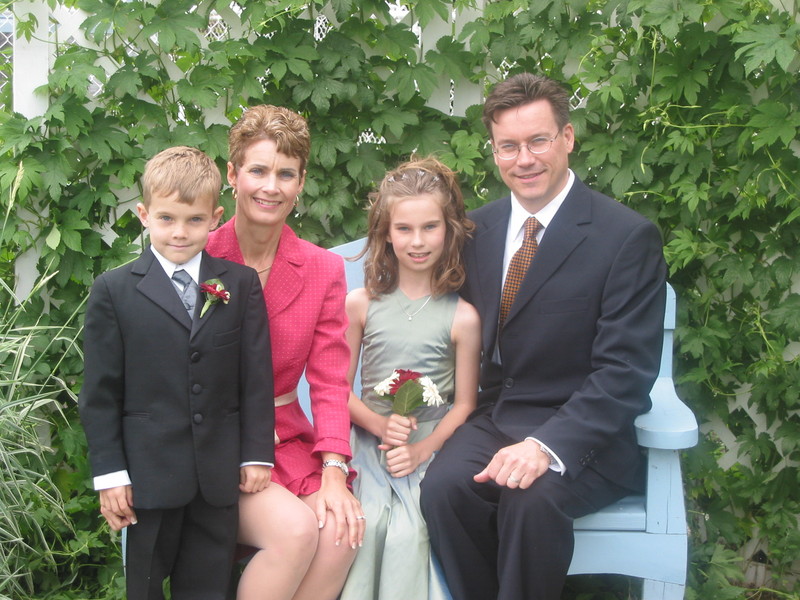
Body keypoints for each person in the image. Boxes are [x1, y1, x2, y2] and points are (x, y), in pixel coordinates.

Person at [419, 73, 668, 600]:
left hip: (584, 437)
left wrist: (546, 447)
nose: (524, 160)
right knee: (444, 489)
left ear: (568, 138)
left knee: (529, 498)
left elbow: (624, 374)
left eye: (538, 141)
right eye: (508, 146)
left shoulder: (625, 238)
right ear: (494, 150)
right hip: (496, 418)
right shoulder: (475, 232)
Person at [79, 146, 274, 600]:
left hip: (217, 477)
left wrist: (256, 454)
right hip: (146, 478)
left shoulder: (240, 284)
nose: (180, 232)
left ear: (215, 218)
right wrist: (110, 475)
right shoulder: (114, 291)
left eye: (194, 220)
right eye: (166, 219)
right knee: (145, 586)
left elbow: (255, 378)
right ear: (144, 215)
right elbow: (100, 394)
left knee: (208, 586)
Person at [205, 105, 364, 600]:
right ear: (233, 174)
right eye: (258, 170)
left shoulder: (322, 269)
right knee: (296, 531)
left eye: (286, 174)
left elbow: (331, 380)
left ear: (301, 183)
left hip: (286, 441)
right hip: (211, 442)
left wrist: (334, 471)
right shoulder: (196, 256)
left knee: (339, 532)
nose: (271, 187)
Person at [340, 157, 481, 600]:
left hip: (431, 448)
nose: (417, 241)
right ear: (386, 232)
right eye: (404, 229)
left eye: (430, 227)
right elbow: (337, 389)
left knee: (410, 532)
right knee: (363, 522)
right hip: (368, 444)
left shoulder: (463, 317)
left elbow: (465, 404)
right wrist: (380, 425)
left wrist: (422, 449)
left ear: (448, 230)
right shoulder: (361, 304)